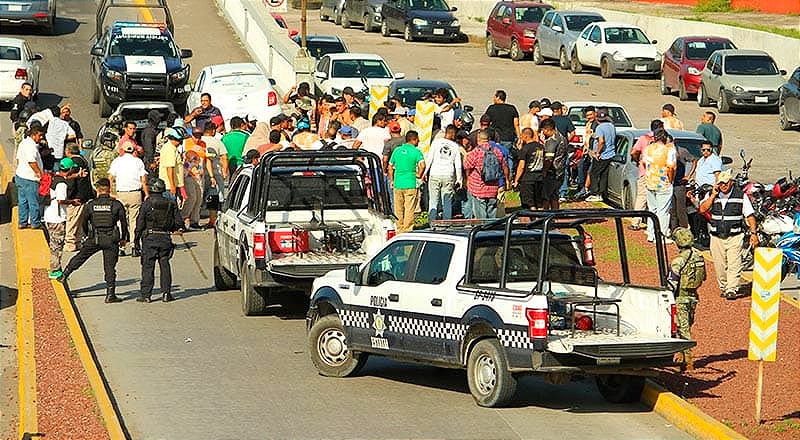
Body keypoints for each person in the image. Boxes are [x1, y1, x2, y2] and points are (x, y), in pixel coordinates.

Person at [58, 178, 128, 304]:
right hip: (111, 238)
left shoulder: (91, 205)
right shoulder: (116, 204)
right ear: (109, 189)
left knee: (81, 257)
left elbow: (84, 222)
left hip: (94, 237)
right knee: (110, 267)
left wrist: (87, 235)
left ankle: (64, 275)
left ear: (97, 190)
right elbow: (124, 223)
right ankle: (110, 294)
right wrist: (124, 239)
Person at [698, 169, 758, 300]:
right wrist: (713, 196)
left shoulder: (741, 196)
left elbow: (750, 216)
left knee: (734, 263)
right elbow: (702, 209)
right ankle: (724, 287)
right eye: (721, 183)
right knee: (719, 266)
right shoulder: (712, 194)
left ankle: (732, 288)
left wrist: (754, 233)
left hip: (735, 236)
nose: (723, 186)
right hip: (716, 236)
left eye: (725, 183)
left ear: (731, 182)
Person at [134, 178, 183, 303]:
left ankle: (146, 295)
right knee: (165, 265)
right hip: (165, 237)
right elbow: (178, 222)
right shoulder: (170, 203)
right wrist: (170, 228)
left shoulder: (147, 204)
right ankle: (166, 293)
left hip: (150, 238)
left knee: (148, 267)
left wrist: (136, 239)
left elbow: (140, 223)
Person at [669, 227, 706, 371]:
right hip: (693, 297)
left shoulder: (678, 261)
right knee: (687, 326)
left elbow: (672, 281)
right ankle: (683, 356)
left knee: (683, 330)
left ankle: (688, 361)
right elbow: (703, 277)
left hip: (680, 298)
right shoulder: (699, 257)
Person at [108, 141, 149, 256]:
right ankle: (134, 246)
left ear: (122, 150)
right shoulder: (138, 162)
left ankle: (121, 247)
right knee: (134, 220)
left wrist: (111, 191)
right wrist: (146, 194)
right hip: (135, 193)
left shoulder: (117, 161)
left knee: (121, 221)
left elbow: (110, 177)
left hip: (121, 194)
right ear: (133, 150)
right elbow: (144, 180)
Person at [44, 158, 80, 279]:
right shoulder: (62, 184)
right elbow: (60, 200)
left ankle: (56, 268)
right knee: (57, 245)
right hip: (57, 218)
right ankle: (55, 270)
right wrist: (72, 202)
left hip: (49, 215)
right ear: (69, 169)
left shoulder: (55, 177)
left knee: (54, 243)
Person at [465, 130, 509, 219]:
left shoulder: (476, 152)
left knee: (481, 216)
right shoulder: (497, 151)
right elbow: (504, 167)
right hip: (493, 188)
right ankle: (490, 230)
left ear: (478, 139)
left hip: (478, 188)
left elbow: (466, 165)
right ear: (488, 139)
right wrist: (507, 180)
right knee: (492, 211)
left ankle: (482, 230)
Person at [643, 128, 676, 244]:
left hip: (649, 182)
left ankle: (651, 234)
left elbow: (643, 162)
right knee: (663, 211)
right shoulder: (669, 150)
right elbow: (671, 167)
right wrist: (670, 180)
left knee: (652, 209)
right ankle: (661, 235)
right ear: (665, 138)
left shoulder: (648, 148)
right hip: (663, 183)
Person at [388, 131, 425, 234]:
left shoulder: (397, 150)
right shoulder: (416, 152)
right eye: (417, 139)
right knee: (409, 208)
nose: (419, 141)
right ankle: (407, 229)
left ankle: (399, 229)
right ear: (413, 140)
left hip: (398, 183)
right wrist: (419, 175)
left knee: (398, 208)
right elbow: (422, 165)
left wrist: (391, 180)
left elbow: (390, 166)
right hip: (410, 183)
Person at [629, 120, 663, 230]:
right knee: (658, 199)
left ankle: (635, 222)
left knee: (642, 197)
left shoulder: (644, 138)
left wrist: (637, 160)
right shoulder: (664, 139)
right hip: (660, 174)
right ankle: (658, 224)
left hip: (644, 171)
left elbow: (633, 152)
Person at [425, 125, 462, 221]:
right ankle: (446, 222)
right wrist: (459, 179)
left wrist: (424, 173)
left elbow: (429, 159)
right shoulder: (455, 146)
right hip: (448, 175)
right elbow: (458, 164)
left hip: (434, 174)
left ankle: (431, 222)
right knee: (447, 201)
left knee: (433, 201)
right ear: (452, 133)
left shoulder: (436, 143)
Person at [64, 143, 93, 252]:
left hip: (76, 197)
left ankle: (70, 243)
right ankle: (77, 242)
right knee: (79, 221)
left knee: (72, 220)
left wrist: (69, 197)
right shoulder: (83, 160)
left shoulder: (74, 163)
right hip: (84, 195)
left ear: (68, 151)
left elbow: (72, 182)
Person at [15, 124, 45, 229]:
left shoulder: (23, 143)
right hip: (30, 179)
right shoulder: (31, 146)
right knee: (33, 202)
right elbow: (31, 162)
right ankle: (35, 223)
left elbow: (18, 159)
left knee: (22, 201)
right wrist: (39, 174)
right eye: (40, 135)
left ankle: (22, 222)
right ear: (34, 135)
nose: (41, 138)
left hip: (20, 176)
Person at [585, 107, 615, 202]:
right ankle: (602, 193)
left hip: (602, 155)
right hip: (610, 154)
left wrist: (598, 152)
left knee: (594, 174)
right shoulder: (611, 126)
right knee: (603, 175)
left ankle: (595, 193)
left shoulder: (599, 128)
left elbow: (601, 141)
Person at [202, 122, 228, 229]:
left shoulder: (199, 141)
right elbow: (224, 157)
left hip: (200, 173)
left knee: (201, 196)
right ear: (213, 131)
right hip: (215, 172)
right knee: (214, 195)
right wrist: (225, 171)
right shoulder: (217, 142)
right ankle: (213, 219)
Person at [539, 118, 568, 210]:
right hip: (560, 171)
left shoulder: (552, 141)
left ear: (547, 129)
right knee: (554, 196)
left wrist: (544, 171)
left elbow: (549, 159)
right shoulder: (562, 137)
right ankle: (555, 215)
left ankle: (546, 217)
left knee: (546, 196)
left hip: (551, 172)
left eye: (543, 130)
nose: (542, 133)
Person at [513, 128, 544, 210]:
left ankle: (533, 220)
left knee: (530, 203)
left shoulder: (525, 148)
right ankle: (541, 220)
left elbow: (521, 166)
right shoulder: (541, 147)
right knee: (539, 203)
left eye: (522, 135)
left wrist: (516, 180)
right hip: (539, 177)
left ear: (525, 136)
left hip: (527, 178)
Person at [158, 128, 187, 203]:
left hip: (172, 185)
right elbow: (169, 168)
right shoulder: (170, 149)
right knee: (171, 210)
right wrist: (172, 185)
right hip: (168, 186)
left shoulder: (172, 148)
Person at [141, 109, 162, 174]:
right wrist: (151, 162)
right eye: (158, 118)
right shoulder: (149, 132)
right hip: (149, 161)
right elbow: (148, 148)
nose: (160, 120)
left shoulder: (152, 130)